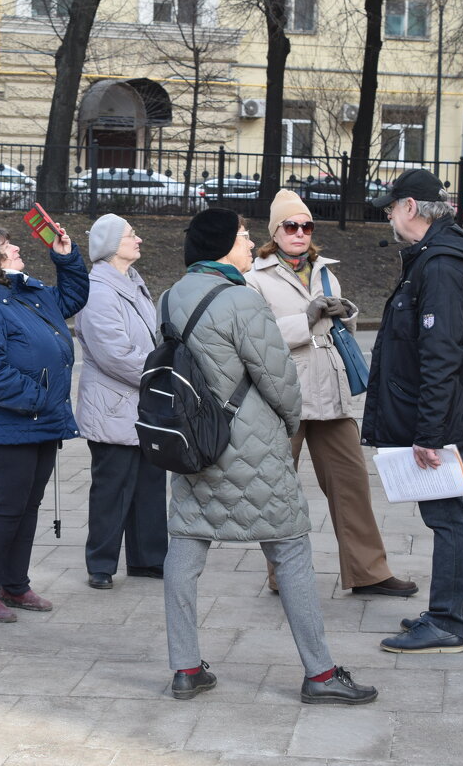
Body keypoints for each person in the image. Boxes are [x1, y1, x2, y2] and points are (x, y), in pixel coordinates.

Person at [161, 207, 377, 705]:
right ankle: (321, 675)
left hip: (194, 442)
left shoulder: (170, 296)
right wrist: (288, 424)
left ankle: (185, 667)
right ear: (220, 245)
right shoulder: (240, 298)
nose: (248, 242)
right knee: (292, 548)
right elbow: (278, 378)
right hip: (250, 442)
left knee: (186, 547)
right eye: (241, 235)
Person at [246, 190, 417, 599]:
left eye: (307, 226)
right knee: (279, 492)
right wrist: (303, 320)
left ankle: (369, 572)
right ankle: (281, 575)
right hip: (283, 396)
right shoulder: (254, 279)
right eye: (291, 226)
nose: (300, 233)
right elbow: (256, 340)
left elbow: (340, 334)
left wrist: (348, 313)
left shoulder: (325, 272)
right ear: (276, 232)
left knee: (352, 484)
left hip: (332, 394)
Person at [364, 169, 463, 654]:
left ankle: (447, 622)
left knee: (448, 516)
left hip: (440, 417)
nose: (387, 215)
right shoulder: (440, 255)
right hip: (448, 412)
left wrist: (429, 432)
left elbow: (440, 353)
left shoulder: (440, 264)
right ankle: (458, 613)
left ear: (411, 208)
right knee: (460, 511)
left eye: (390, 206)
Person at [0, 224, 89, 623]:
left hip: (42, 420)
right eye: (6, 246)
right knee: (7, 507)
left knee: (28, 506)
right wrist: (38, 399)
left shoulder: (28, 292)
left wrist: (65, 256)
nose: (15, 248)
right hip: (6, 424)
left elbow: (72, 297)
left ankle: (14, 584)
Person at [74, 214, 167, 590]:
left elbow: (152, 338)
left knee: (149, 482)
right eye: (132, 235)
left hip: (142, 402)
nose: (139, 239)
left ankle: (149, 559)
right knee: (112, 487)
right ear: (112, 245)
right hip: (113, 406)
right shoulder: (97, 289)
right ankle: (101, 564)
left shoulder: (133, 283)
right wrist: (158, 374)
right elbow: (114, 353)